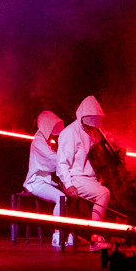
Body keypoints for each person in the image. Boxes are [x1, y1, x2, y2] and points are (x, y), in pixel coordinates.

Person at [54, 96, 114, 246]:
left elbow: (109, 138)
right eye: (88, 125)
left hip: (89, 178)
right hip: (75, 177)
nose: (90, 128)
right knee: (104, 193)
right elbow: (62, 162)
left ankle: (100, 234)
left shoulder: (93, 130)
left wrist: (120, 146)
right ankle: (96, 237)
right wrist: (69, 184)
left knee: (108, 192)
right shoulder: (70, 133)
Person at [21, 109, 71, 248]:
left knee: (70, 197)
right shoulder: (38, 142)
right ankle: (57, 235)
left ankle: (70, 234)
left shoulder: (46, 141)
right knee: (61, 198)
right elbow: (52, 160)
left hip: (46, 181)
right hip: (35, 183)